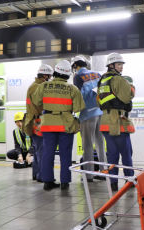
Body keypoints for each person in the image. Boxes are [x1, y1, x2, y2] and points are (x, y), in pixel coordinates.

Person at [32, 60, 85, 191]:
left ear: (55, 72)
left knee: (47, 153)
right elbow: (79, 108)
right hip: (65, 123)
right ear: (68, 75)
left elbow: (36, 100)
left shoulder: (44, 86)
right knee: (65, 153)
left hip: (48, 123)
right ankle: (65, 182)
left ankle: (47, 181)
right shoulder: (73, 88)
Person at [97, 53, 135, 191]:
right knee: (126, 153)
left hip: (105, 121)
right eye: (119, 64)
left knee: (112, 154)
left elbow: (99, 101)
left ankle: (113, 182)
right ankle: (129, 180)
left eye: (122, 64)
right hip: (118, 121)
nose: (121, 67)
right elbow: (126, 98)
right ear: (111, 65)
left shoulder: (102, 80)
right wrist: (132, 89)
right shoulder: (119, 79)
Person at [72, 56, 105, 182]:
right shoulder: (97, 74)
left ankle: (89, 174)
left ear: (75, 66)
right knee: (100, 144)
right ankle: (104, 171)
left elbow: (77, 95)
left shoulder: (78, 76)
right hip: (100, 112)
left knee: (87, 145)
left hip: (87, 113)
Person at [24, 64, 53, 182]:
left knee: (37, 150)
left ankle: (37, 174)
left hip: (33, 122)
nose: (50, 78)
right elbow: (40, 105)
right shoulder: (39, 87)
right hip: (39, 122)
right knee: (42, 150)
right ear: (45, 76)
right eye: (49, 76)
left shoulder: (32, 86)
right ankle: (42, 176)